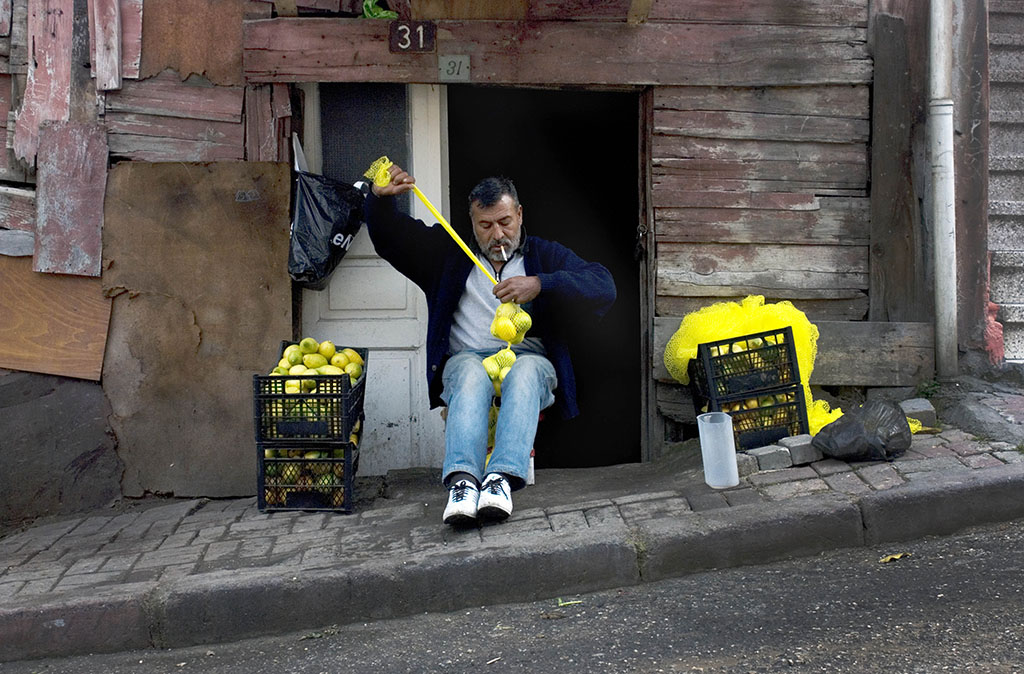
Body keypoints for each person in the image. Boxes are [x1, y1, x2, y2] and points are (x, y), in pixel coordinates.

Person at [364, 164, 616, 525]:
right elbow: (390, 239)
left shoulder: (543, 255)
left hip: (529, 358)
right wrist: (379, 200)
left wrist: (540, 283)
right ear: (472, 224)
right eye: (486, 226)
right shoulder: (448, 254)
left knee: (527, 371)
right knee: (468, 373)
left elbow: (603, 285)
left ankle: (500, 480)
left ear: (519, 214)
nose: (498, 234)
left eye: (505, 222)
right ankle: (463, 482)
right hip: (467, 358)